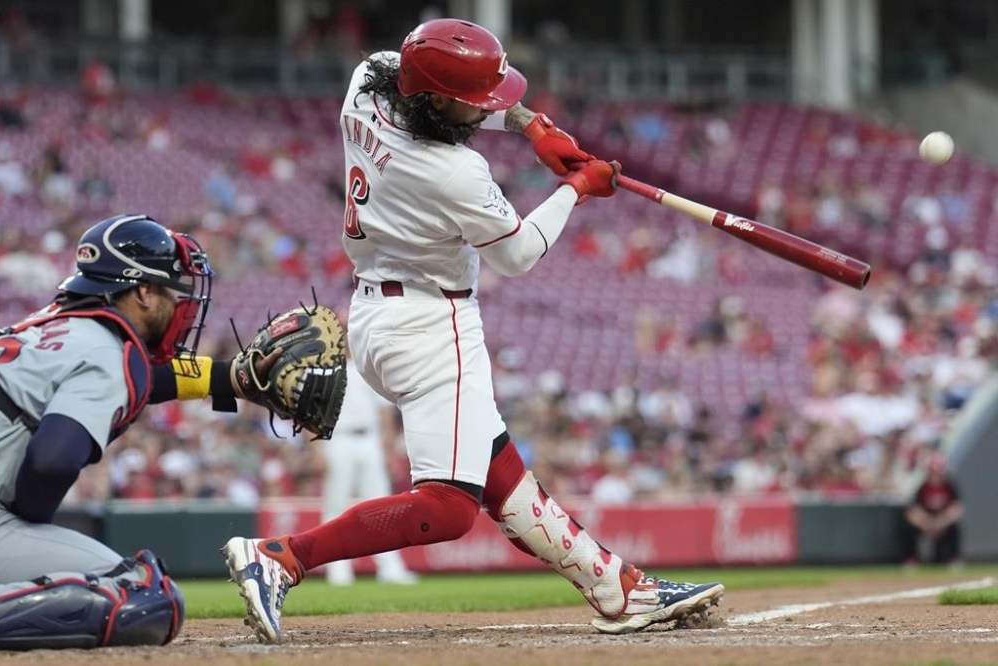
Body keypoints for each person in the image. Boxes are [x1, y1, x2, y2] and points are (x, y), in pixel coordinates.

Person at [223, 18, 724, 644]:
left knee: (499, 471)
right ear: (434, 98)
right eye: (478, 103)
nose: (488, 109)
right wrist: (576, 187)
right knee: (449, 509)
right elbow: (518, 255)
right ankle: (285, 557)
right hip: (435, 325)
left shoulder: (367, 88)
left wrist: (532, 126)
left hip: (377, 317)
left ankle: (616, 588)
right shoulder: (452, 171)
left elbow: (427, 83)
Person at [0, 214, 273, 649]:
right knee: (144, 596)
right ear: (143, 291)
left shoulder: (49, 326)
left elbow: (146, 381)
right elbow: (52, 461)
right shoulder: (108, 350)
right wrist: (30, 519)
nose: (182, 303)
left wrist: (229, 379)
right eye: (171, 289)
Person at [322, 343, 418, 586]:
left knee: (380, 506)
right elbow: (310, 412)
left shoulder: (367, 369)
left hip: (369, 439)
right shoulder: (324, 369)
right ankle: (338, 571)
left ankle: (390, 568)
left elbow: (385, 412)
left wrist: (387, 449)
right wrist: (315, 450)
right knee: (335, 505)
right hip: (338, 438)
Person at [902, 454, 963, 566]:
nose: (935, 477)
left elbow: (956, 509)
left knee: (954, 528)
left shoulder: (949, 486)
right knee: (909, 529)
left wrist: (941, 523)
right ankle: (912, 559)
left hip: (943, 523)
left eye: (937, 473)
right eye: (932, 473)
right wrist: (928, 524)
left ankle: (954, 558)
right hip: (926, 523)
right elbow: (913, 512)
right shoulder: (922, 488)